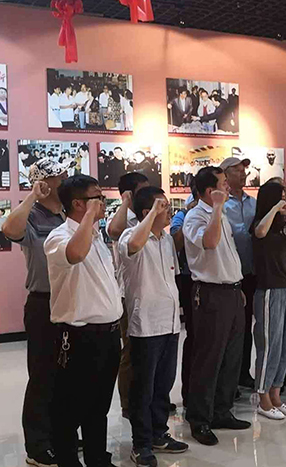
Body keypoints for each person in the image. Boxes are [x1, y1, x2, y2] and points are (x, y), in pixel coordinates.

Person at [44, 174, 122, 467]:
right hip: (79, 336)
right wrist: (90, 216)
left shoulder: (97, 236)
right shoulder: (59, 236)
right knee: (69, 408)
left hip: (108, 334)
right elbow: (75, 254)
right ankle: (68, 461)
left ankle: (97, 458)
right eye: (97, 197)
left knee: (99, 405)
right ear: (78, 204)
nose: (103, 202)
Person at [2, 160, 67, 467]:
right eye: (59, 176)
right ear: (46, 182)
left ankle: (61, 433)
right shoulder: (32, 215)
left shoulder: (68, 214)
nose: (65, 179)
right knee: (43, 376)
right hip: (44, 303)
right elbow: (9, 229)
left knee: (67, 374)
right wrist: (31, 196)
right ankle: (38, 446)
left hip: (72, 301)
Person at [119, 187, 189, 467]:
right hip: (145, 325)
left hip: (169, 323)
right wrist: (149, 218)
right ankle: (142, 443)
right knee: (143, 389)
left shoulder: (166, 240)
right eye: (163, 206)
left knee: (163, 385)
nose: (169, 211)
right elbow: (133, 246)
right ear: (147, 212)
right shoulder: (130, 235)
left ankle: (159, 433)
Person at [183, 166, 251, 446]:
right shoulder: (196, 216)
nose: (228, 187)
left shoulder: (218, 214)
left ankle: (222, 411)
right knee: (209, 358)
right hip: (210, 293)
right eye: (223, 183)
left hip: (231, 291)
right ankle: (199, 418)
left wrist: (238, 286)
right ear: (210, 191)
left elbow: (228, 253)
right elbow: (209, 243)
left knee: (232, 356)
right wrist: (218, 207)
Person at [250, 182, 286, 420]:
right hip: (269, 289)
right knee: (269, 345)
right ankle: (263, 397)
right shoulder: (261, 225)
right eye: (281, 198)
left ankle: (276, 393)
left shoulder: (280, 228)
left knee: (285, 345)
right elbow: (259, 232)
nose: (285, 202)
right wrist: (275, 208)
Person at [107, 172, 150, 419]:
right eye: (142, 190)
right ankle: (127, 403)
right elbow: (114, 231)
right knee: (131, 350)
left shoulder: (147, 216)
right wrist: (125, 202)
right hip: (128, 293)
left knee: (149, 350)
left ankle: (147, 397)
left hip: (150, 290)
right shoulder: (124, 217)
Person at [220, 156, 257, 390]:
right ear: (225, 174)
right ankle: (226, 380)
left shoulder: (253, 203)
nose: (243, 174)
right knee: (227, 330)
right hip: (227, 275)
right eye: (237, 170)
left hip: (250, 273)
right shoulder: (220, 204)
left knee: (246, 328)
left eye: (244, 170)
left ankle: (243, 373)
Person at [170, 179, 198, 408]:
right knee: (195, 335)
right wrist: (189, 216)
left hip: (217, 283)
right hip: (190, 279)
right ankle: (190, 392)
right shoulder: (183, 215)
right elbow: (176, 244)